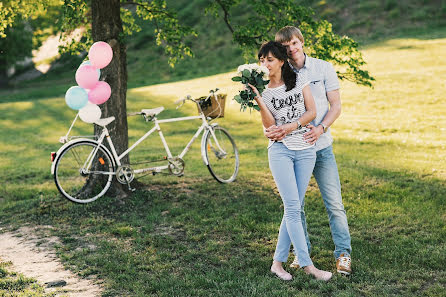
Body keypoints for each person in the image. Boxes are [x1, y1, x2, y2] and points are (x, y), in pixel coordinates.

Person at [265, 26, 352, 276]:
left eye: (294, 43)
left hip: (321, 147)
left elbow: (335, 106)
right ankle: (301, 253)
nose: (292, 49)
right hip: (293, 149)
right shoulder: (282, 73)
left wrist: (321, 128)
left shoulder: (323, 68)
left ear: (301, 42)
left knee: (334, 203)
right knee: (295, 206)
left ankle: (343, 254)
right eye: (286, 47)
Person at [248, 41, 332, 281]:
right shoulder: (262, 89)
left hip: (305, 148)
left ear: (281, 61)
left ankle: (277, 263)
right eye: (261, 60)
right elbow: (268, 125)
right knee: (294, 207)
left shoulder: (298, 79)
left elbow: (312, 112)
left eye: (269, 60)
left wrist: (291, 126)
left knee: (293, 207)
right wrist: (258, 99)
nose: (265, 64)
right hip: (281, 151)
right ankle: (308, 265)